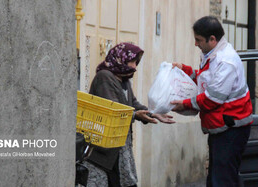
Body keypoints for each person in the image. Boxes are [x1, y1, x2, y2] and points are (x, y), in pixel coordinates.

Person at [171, 16, 253, 187]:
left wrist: (184, 104)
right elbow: (205, 80)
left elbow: (212, 98)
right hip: (222, 127)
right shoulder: (211, 55)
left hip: (231, 129)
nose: (195, 44)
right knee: (219, 177)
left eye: (198, 40)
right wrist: (185, 70)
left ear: (213, 39)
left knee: (222, 180)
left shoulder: (225, 61)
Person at [83, 42, 175, 187]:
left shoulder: (124, 80)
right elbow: (113, 109)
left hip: (120, 145)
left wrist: (153, 113)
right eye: (132, 61)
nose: (134, 67)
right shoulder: (104, 77)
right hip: (102, 148)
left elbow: (133, 104)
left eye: (136, 62)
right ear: (121, 59)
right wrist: (136, 115)